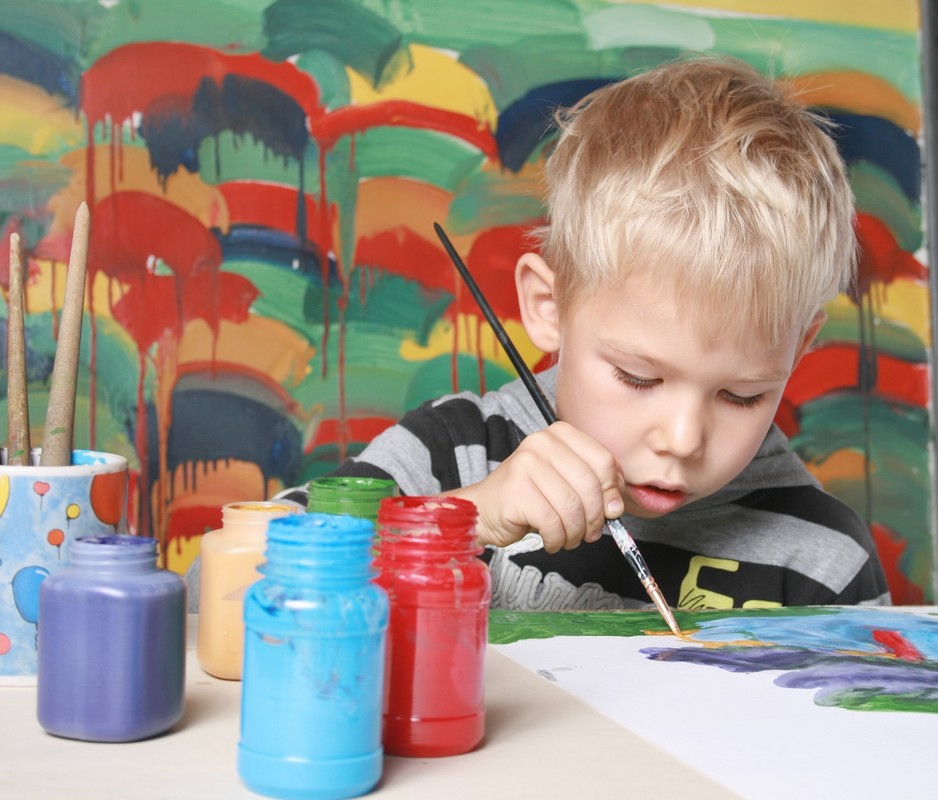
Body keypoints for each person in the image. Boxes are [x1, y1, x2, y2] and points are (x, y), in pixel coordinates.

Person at [284, 54, 890, 611]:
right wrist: (465, 518)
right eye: (638, 377)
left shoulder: (826, 558)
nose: (683, 440)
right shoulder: (450, 455)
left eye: (741, 394)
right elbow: (239, 588)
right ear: (549, 307)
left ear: (799, 348)